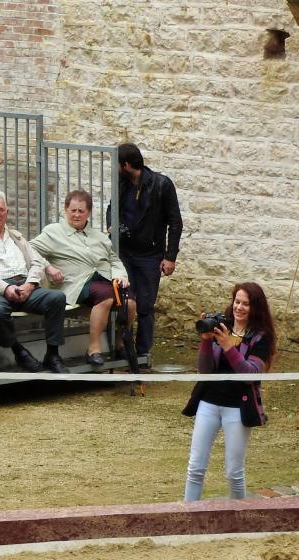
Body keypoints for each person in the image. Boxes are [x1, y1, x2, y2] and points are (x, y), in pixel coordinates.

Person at [183, 283, 276, 502]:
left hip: (238, 406)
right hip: (209, 401)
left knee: (234, 472)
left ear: (256, 307)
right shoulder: (222, 326)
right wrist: (206, 342)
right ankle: (189, 514)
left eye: (246, 304)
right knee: (195, 468)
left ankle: (238, 516)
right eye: (237, 302)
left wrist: (228, 346)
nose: (239, 307)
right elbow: (205, 370)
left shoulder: (261, 337)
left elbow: (250, 374)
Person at [0, 189, 68, 374]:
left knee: (57, 298)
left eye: (1, 209)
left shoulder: (17, 237)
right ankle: (19, 351)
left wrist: (30, 284)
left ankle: (53, 355)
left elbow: (37, 261)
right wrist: (5, 288)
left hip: (25, 287)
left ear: (7, 212)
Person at [32, 189, 134, 368]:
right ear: (65, 210)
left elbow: (113, 260)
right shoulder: (53, 232)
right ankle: (94, 349)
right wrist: (49, 268)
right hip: (75, 283)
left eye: (81, 211)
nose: (77, 215)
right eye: (73, 210)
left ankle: (119, 344)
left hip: (105, 279)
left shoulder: (99, 237)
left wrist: (120, 275)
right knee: (106, 296)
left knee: (130, 300)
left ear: (89, 213)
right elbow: (29, 249)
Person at [109, 143, 182, 359]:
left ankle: (142, 355)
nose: (115, 168)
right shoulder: (121, 183)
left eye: (117, 164)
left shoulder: (161, 184)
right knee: (123, 302)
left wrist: (170, 257)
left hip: (150, 255)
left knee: (146, 306)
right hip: (125, 252)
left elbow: (175, 221)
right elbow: (112, 207)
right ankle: (122, 349)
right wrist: (112, 226)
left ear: (126, 165)